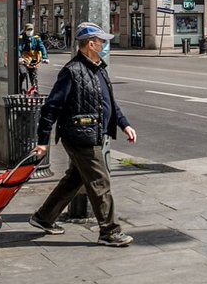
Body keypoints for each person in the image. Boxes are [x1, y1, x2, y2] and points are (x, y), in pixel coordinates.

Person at [29, 22, 137, 247]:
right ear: (90, 44)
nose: (105, 45)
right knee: (100, 181)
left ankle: (44, 217)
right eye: (102, 42)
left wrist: (124, 124)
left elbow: (109, 103)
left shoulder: (98, 68)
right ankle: (109, 231)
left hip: (93, 132)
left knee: (75, 179)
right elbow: (51, 108)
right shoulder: (72, 72)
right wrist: (42, 142)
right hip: (79, 135)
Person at [17, 23, 49, 90]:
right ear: (25, 30)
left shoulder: (36, 38)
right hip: (24, 59)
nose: (29, 32)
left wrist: (45, 57)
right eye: (28, 30)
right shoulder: (21, 38)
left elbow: (42, 48)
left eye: (31, 30)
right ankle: (19, 88)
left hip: (33, 60)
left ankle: (35, 93)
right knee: (23, 73)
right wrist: (20, 58)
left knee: (34, 78)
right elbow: (19, 48)